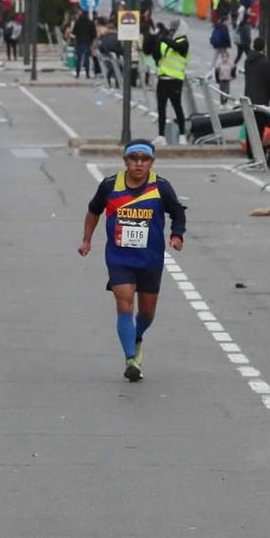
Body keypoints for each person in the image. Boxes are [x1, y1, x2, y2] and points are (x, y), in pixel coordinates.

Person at [79, 141, 188, 381]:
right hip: (120, 257)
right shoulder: (110, 185)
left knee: (147, 313)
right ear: (125, 161)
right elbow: (93, 211)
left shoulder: (160, 186)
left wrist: (177, 235)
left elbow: (177, 212)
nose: (139, 164)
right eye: (134, 158)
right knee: (124, 304)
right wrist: (86, 240)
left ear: (151, 162)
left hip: (150, 258)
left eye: (144, 159)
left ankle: (136, 337)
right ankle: (131, 359)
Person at [154, 23, 190, 142]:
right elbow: (157, 55)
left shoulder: (183, 42)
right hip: (162, 78)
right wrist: (156, 38)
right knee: (161, 108)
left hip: (175, 80)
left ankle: (182, 134)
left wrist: (164, 38)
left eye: (174, 30)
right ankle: (161, 135)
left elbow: (176, 46)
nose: (172, 31)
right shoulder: (167, 42)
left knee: (177, 107)